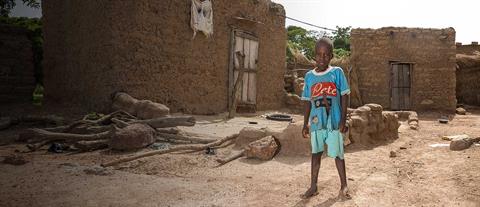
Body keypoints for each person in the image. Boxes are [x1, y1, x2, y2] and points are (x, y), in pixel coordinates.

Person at [301, 37, 351, 199]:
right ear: (314, 55)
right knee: (316, 154)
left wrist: (343, 121)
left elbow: (344, 96)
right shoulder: (309, 76)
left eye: (326, 55)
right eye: (319, 55)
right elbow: (307, 101)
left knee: (338, 154)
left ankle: (344, 185)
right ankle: (313, 185)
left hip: (334, 121)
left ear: (331, 56)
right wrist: (305, 123)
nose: (322, 59)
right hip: (316, 122)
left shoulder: (337, 72)